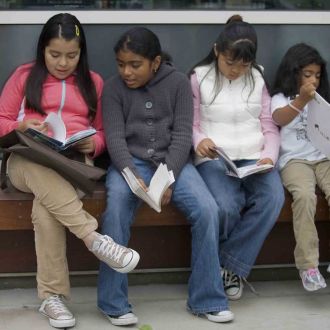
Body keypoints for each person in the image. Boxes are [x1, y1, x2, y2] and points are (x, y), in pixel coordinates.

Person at [0, 13, 139, 329]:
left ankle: (52, 299)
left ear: (82, 53)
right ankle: (95, 240)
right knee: (40, 175)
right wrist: (20, 124)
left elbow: (103, 130)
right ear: (42, 50)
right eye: (55, 55)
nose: (63, 63)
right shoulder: (24, 76)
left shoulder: (94, 83)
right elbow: (1, 120)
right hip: (27, 161)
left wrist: (96, 144)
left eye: (71, 55)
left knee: (46, 207)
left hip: (73, 164)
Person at [98, 26, 234, 326]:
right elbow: (116, 141)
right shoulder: (112, 89)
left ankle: (206, 299)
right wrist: (134, 178)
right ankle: (113, 302)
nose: (126, 72)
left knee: (207, 210)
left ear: (155, 62)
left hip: (172, 163)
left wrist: (167, 177)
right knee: (117, 208)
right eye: (121, 64)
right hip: (129, 164)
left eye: (135, 65)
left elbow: (183, 134)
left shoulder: (178, 83)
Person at [189, 15, 284, 300]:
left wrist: (269, 156)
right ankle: (225, 267)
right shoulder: (199, 78)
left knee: (273, 198)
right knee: (226, 205)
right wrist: (200, 141)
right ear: (217, 50)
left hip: (255, 157)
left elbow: (268, 124)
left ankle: (226, 265)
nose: (236, 70)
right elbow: (191, 123)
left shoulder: (257, 78)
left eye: (243, 65)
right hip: (216, 157)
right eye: (230, 62)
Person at [271, 43, 330, 291]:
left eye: (317, 75)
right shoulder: (281, 98)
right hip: (294, 160)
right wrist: (302, 100)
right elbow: (279, 118)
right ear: (293, 72)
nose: (313, 80)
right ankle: (309, 267)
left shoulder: (322, 98)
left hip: (324, 156)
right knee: (305, 197)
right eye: (307, 74)